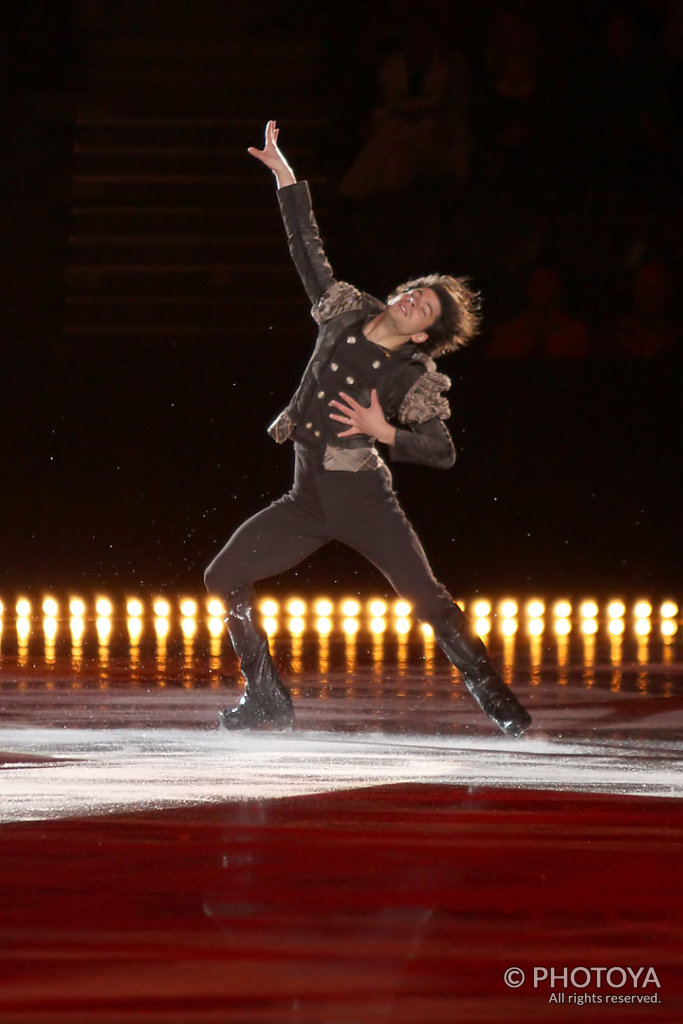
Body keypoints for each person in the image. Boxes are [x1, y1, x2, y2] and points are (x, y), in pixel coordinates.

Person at [204, 121, 531, 738]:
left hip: (365, 505)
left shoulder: (410, 376)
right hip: (306, 500)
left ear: (421, 336)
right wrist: (285, 177)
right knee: (222, 576)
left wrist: (384, 430)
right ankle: (266, 695)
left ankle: (497, 703)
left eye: (425, 309)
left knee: (429, 603)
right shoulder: (342, 312)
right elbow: (308, 248)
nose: (412, 300)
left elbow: (441, 451)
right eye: (415, 292)